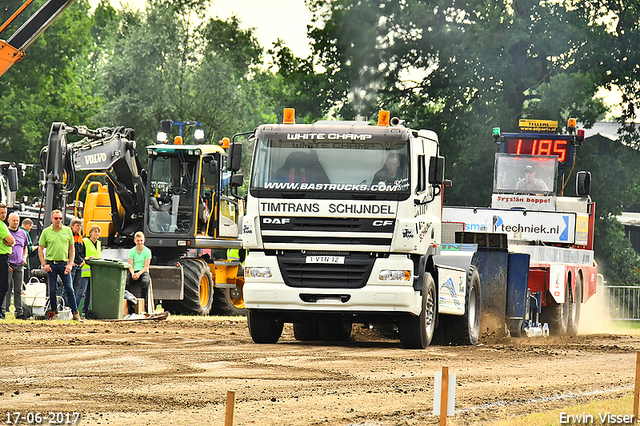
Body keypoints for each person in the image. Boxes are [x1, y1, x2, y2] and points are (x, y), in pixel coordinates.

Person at [38, 210, 80, 321]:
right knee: (52, 289)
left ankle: (75, 313)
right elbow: (40, 248)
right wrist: (44, 264)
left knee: (69, 289)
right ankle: (54, 313)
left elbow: (72, 248)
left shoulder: (67, 231)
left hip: (64, 263)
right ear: (52, 219)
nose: (58, 220)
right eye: (56, 218)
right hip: (51, 264)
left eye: (60, 218)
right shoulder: (46, 232)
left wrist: (70, 264)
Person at [3, 213, 28, 319]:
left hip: (19, 265)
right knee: (6, 288)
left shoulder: (23, 233)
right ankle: (4, 309)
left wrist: (24, 258)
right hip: (9, 264)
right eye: (14, 220)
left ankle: (19, 311)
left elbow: (25, 247)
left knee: (18, 289)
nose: (16, 223)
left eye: (17, 220)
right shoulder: (6, 232)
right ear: (9, 221)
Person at [79, 225, 102, 317]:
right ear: (90, 233)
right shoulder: (85, 242)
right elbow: (80, 255)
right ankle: (76, 310)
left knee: (89, 293)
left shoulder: (99, 243)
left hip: (94, 273)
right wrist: (87, 258)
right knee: (81, 292)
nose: (97, 233)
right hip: (84, 271)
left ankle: (85, 311)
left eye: (98, 232)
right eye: (95, 231)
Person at [126, 231, 152, 314]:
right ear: (135, 241)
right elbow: (131, 264)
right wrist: (133, 273)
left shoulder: (147, 251)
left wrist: (139, 273)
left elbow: (146, 266)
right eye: (138, 241)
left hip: (142, 272)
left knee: (145, 282)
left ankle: (144, 306)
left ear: (144, 240)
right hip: (133, 271)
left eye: (141, 240)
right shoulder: (132, 251)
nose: (139, 242)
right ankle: (129, 306)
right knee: (126, 283)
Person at [0, 204, 15, 320]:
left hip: (4, 257)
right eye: (1, 213)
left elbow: (11, 241)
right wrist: (10, 242)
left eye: (5, 212)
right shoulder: (1, 225)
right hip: (2, 256)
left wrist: (10, 242)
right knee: (4, 285)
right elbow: (11, 240)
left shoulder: (3, 224)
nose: (3, 215)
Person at [69, 218, 86, 314]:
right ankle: (66, 306)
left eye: (80, 226)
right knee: (68, 287)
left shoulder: (80, 237)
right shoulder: (69, 236)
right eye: (77, 226)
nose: (79, 228)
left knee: (76, 288)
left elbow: (81, 251)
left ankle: (72, 309)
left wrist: (83, 260)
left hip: (79, 264)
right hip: (72, 265)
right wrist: (70, 261)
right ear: (72, 226)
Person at [20, 218, 37, 284]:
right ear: (28, 225)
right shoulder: (25, 233)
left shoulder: (17, 230)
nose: (30, 230)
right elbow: (28, 248)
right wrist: (33, 248)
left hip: (15, 261)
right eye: (30, 227)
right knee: (26, 282)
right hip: (24, 262)